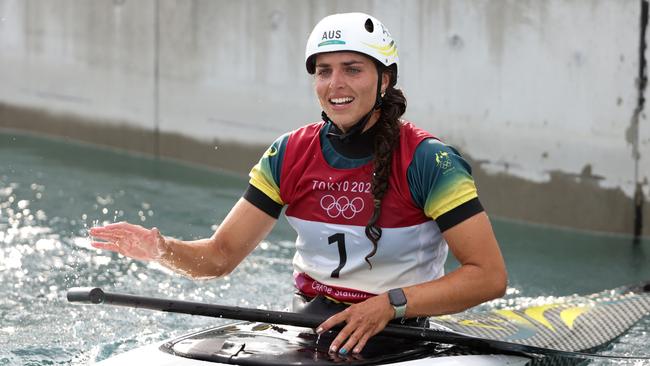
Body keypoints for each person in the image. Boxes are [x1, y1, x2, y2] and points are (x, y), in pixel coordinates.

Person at [90, 12, 507, 356]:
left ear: (385, 80)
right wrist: (162, 250)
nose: (335, 84)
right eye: (324, 72)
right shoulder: (288, 152)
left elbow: (488, 276)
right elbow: (220, 257)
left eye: (352, 69)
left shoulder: (429, 161)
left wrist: (390, 305)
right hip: (307, 327)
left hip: (398, 336)